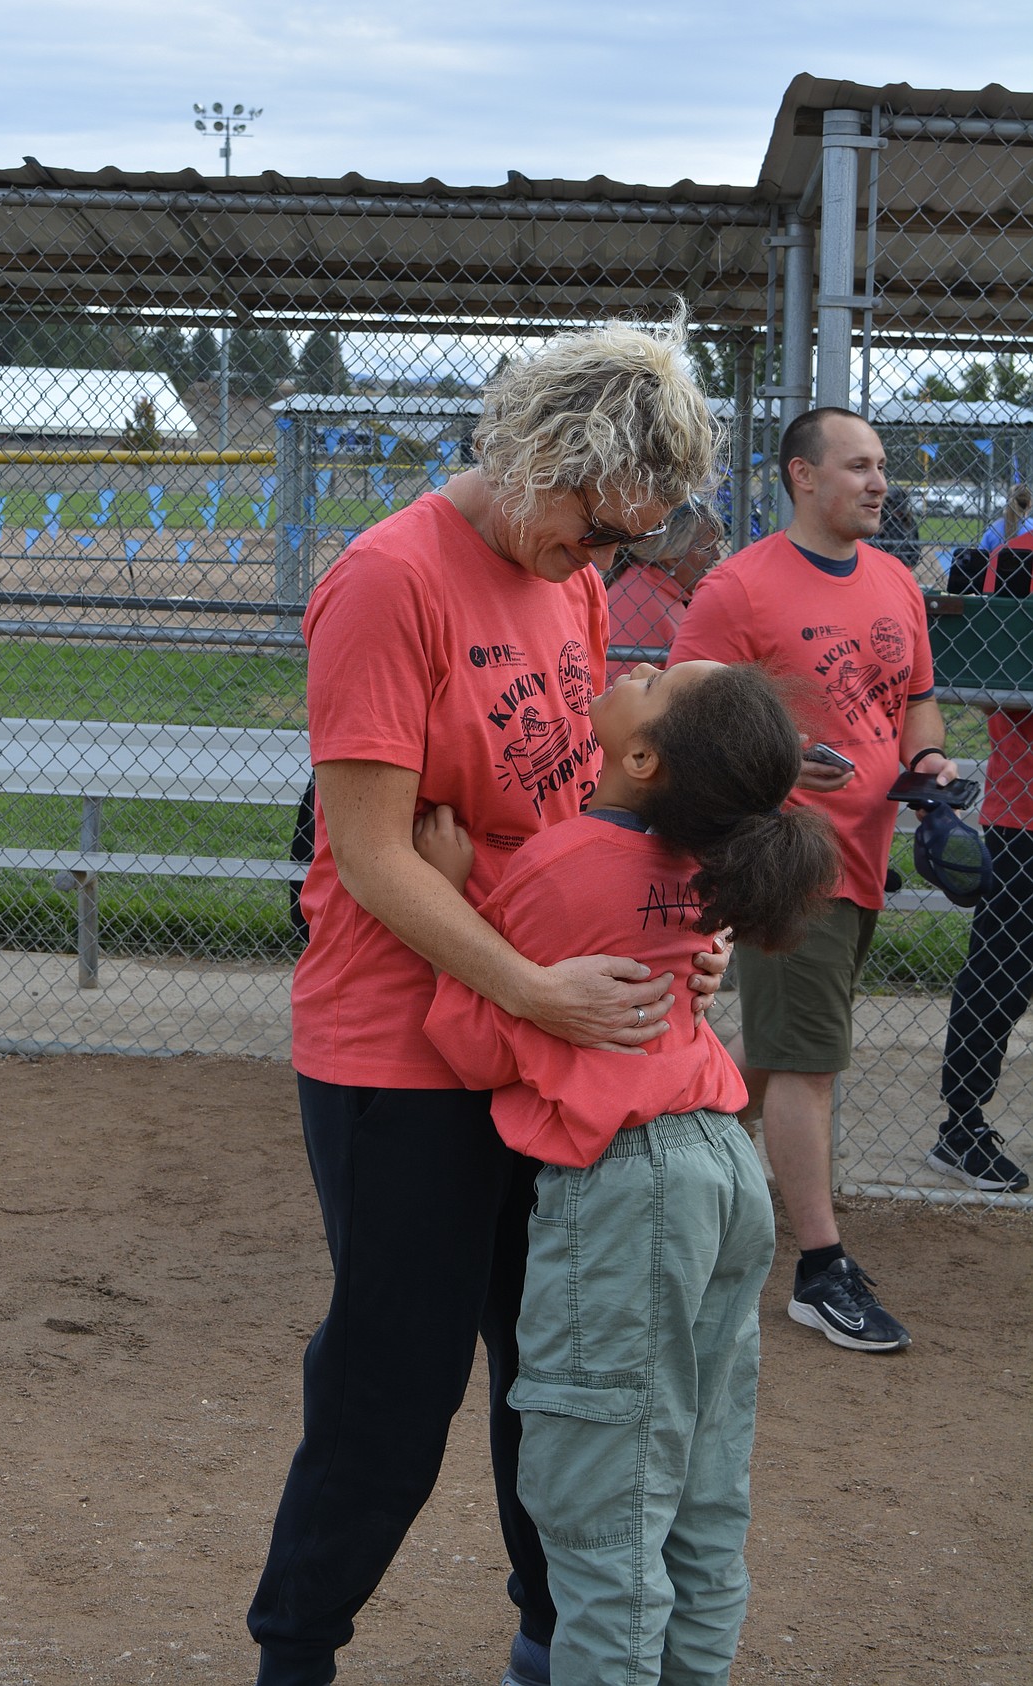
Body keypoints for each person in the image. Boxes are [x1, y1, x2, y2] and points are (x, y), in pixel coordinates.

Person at [248, 319, 730, 1686]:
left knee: (554, 1364)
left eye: (621, 543)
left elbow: (581, 806)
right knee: (393, 1378)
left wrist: (663, 933)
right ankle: (296, 1651)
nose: (603, 566)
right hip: (394, 1045)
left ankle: (552, 1639)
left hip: (539, 1038)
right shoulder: (389, 580)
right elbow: (370, 849)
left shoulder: (561, 579)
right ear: (538, 457)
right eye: (593, 531)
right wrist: (532, 983)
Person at [417, 659, 839, 1686]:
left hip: (631, 1188)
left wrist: (444, 895)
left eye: (652, 682)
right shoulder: (708, 862)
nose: (634, 666)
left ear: (641, 757)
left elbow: (474, 1041)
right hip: (723, 1169)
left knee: (603, 1511)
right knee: (699, 1492)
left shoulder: (563, 864)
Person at [668, 405, 958, 1353]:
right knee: (808, 1064)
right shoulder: (740, 587)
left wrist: (930, 774)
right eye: (859, 466)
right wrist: (782, 755)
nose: (880, 482)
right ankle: (820, 1268)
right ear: (801, 475)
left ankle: (663, 1175)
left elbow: (916, 704)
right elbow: (678, 713)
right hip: (788, 855)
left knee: (777, 1053)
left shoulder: (893, 582)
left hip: (868, 853)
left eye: (883, 467)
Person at [928, 526, 1032, 1192]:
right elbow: (998, 679)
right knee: (1000, 973)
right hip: (1024, 810)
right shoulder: (1020, 556)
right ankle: (960, 1126)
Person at [605, 496, 723, 657]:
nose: (717, 556)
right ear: (673, 556)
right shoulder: (648, 600)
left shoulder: (649, 585)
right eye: (708, 547)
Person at [977, 482, 1032, 557]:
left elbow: (981, 556)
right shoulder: (1030, 527)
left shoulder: (993, 529)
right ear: (1029, 504)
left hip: (995, 568)